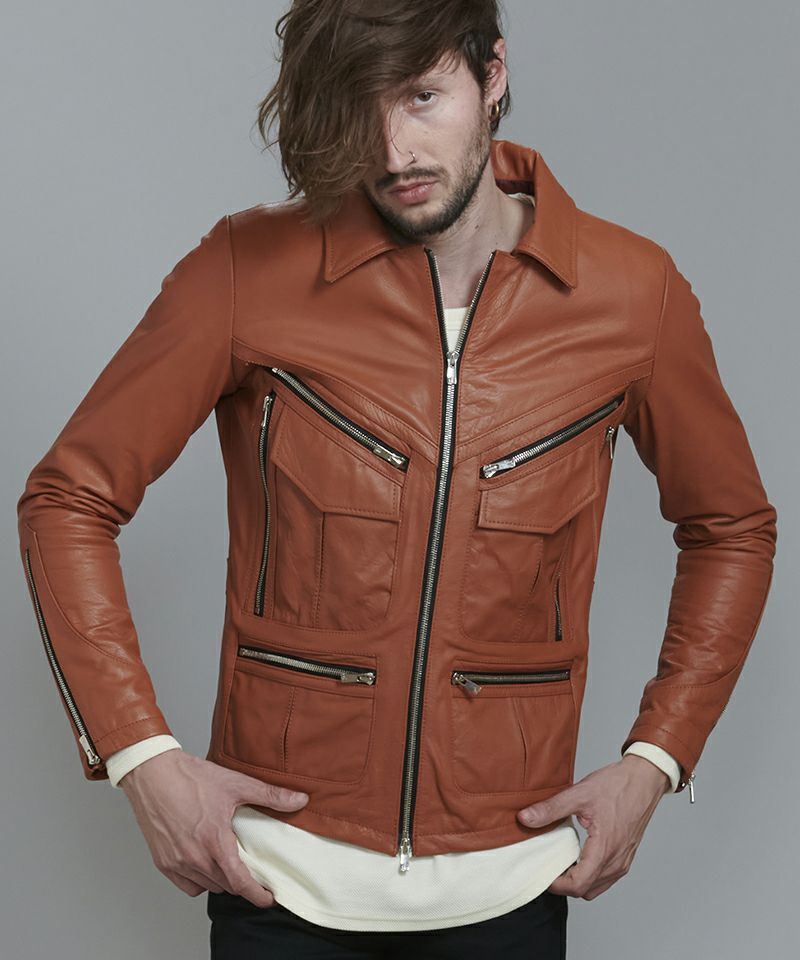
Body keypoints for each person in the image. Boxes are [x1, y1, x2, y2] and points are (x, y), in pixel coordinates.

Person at [17, 2, 777, 957]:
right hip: (279, 882)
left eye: (422, 97)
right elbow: (68, 499)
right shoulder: (247, 270)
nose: (392, 150)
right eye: (358, 104)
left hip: (512, 880)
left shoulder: (632, 295)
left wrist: (656, 760)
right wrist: (141, 758)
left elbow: (731, 527)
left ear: (492, 74)